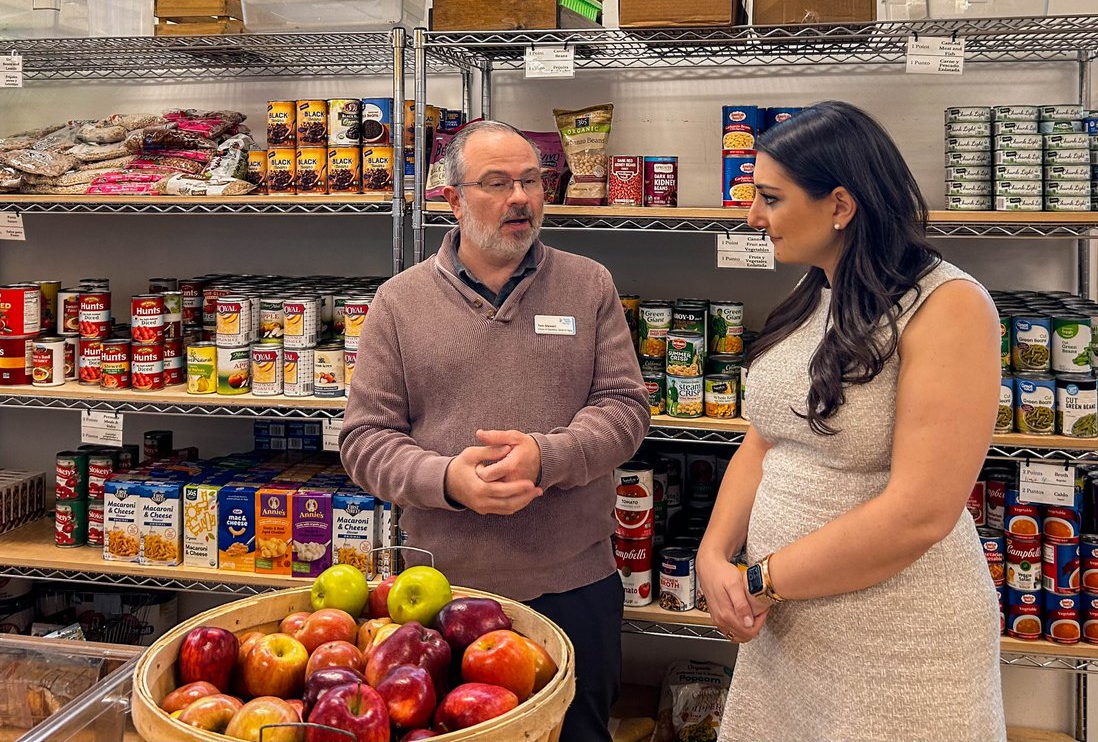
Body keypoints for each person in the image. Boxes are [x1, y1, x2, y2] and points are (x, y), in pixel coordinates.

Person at [697, 101, 1005, 741]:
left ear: (840, 205)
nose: (752, 217)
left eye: (770, 199)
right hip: (788, 628)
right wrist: (713, 552)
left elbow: (920, 513)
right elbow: (765, 437)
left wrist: (762, 578)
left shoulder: (949, 307)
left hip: (897, 640)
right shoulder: (816, 289)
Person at [340, 119, 650, 741]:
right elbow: (365, 440)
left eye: (532, 182)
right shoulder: (399, 303)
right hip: (443, 590)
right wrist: (447, 479)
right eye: (497, 183)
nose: (520, 198)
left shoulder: (589, 284)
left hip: (575, 583)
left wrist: (548, 456)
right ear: (450, 199)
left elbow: (624, 408)